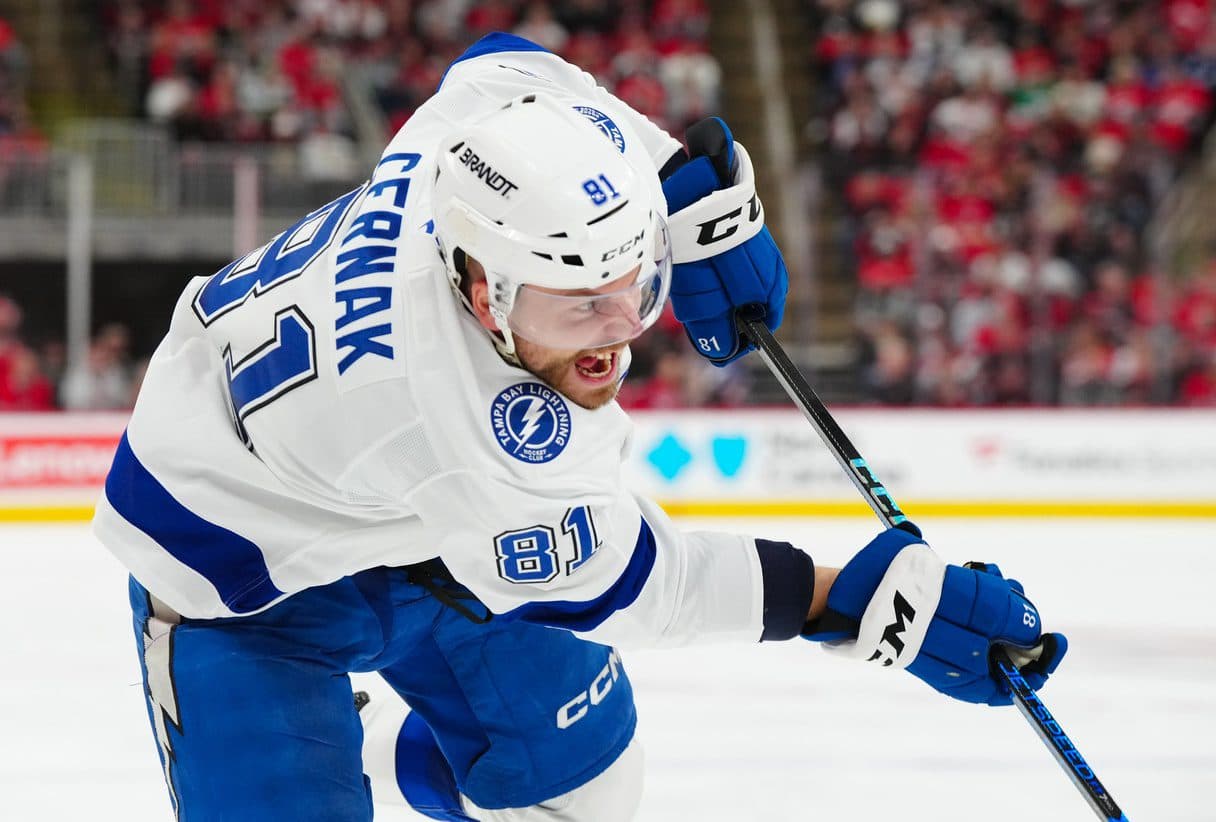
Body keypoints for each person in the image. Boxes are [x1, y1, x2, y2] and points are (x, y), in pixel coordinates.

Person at [94, 33, 1066, 821]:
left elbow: (507, 60)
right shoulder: (469, 427)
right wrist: (861, 606)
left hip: (389, 503)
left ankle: (408, 757)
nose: (617, 337)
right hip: (237, 587)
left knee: (585, 795)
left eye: (635, 287)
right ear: (481, 286)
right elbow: (639, 587)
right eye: (577, 305)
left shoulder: (471, 143)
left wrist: (681, 191)